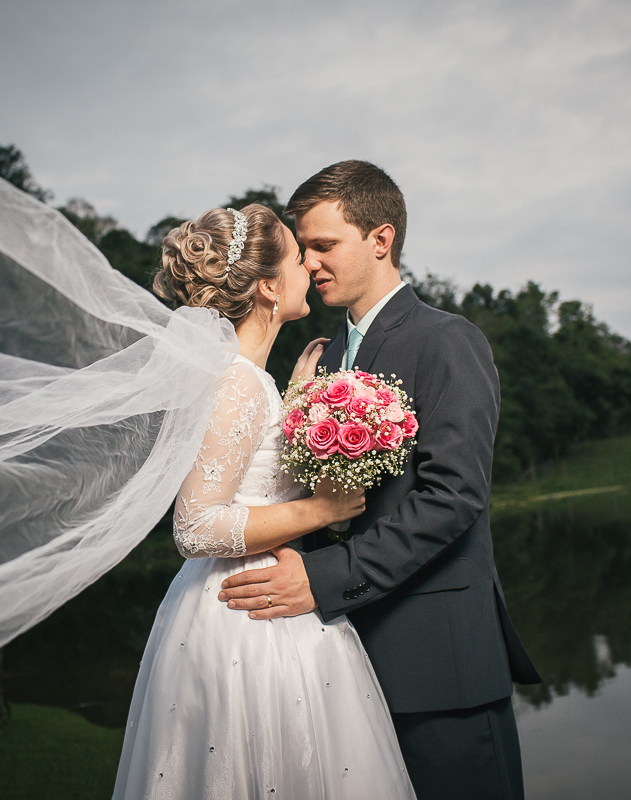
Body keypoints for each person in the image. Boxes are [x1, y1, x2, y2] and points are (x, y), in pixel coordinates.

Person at [218, 161, 543, 800]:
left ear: (381, 239)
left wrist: (321, 577)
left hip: (438, 664)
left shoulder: (447, 340)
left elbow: (453, 497)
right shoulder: (322, 358)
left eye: (324, 244)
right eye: (303, 247)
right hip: (338, 665)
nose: (309, 262)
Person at [111, 205, 416, 799]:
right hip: (244, 615)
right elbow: (195, 526)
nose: (310, 267)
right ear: (270, 287)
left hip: (259, 595)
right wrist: (320, 511)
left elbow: (251, 475)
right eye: (298, 258)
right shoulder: (238, 382)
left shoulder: (252, 379)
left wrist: (298, 401)